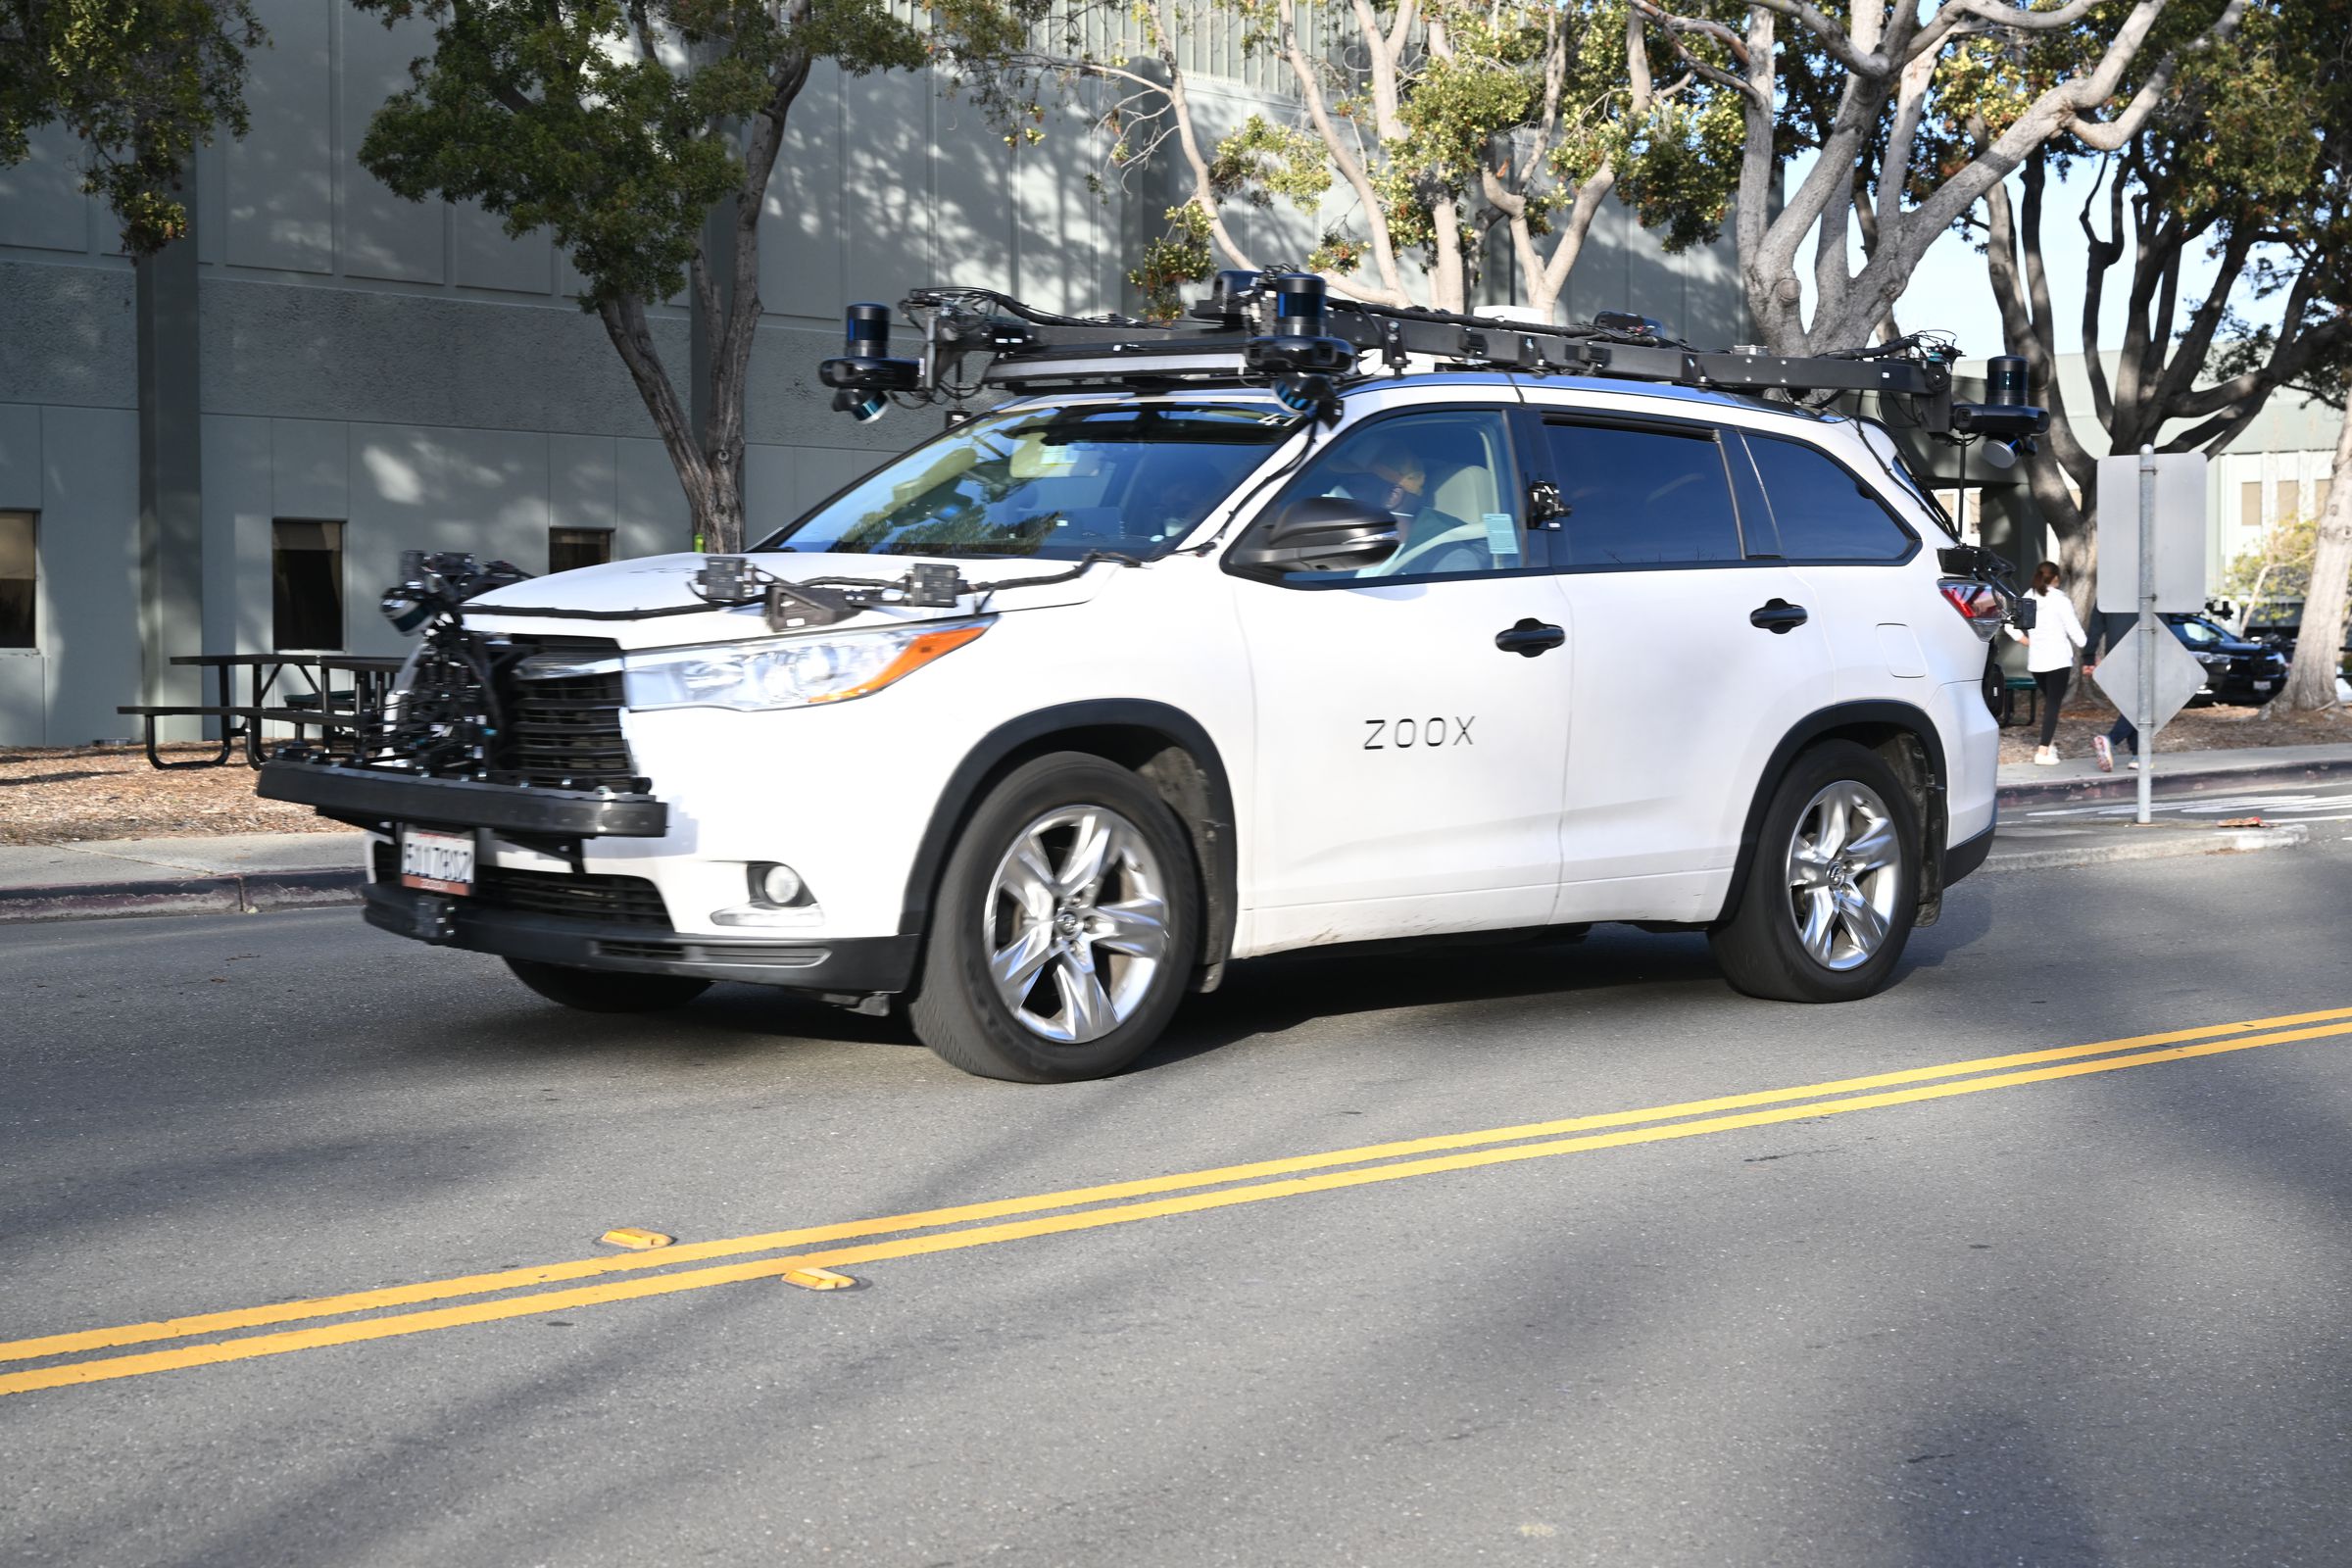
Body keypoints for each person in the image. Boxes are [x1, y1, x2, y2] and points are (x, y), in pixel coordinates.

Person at [2008, 562, 2087, 763]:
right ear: (2055, 579)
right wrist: (2088, 645)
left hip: (2037, 661)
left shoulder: (2028, 597)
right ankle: (2042, 751)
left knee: (2050, 703)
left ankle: (2049, 746)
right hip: (2059, 659)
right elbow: (2075, 631)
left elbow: (2011, 625)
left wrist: (2025, 641)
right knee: (2053, 705)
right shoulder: (2060, 601)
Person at [2082, 607, 2143, 772]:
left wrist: (2089, 657)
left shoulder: (2110, 587)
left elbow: (2096, 625)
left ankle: (2138, 755)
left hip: (2116, 654)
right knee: (2143, 703)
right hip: (2144, 650)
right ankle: (2111, 740)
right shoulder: (2148, 585)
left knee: (2132, 704)